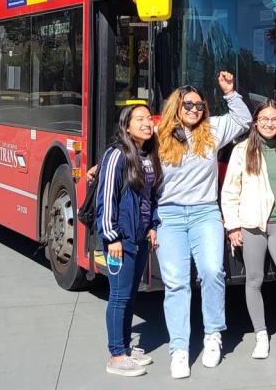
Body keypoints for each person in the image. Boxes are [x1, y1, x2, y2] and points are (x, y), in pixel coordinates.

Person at [155, 72, 252, 379]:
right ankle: (179, 349)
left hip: (205, 213)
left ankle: (213, 336)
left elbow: (244, 119)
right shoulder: (160, 135)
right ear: (176, 106)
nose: (195, 109)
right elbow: (132, 156)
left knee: (213, 272)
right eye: (188, 104)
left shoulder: (212, 129)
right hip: (168, 216)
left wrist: (230, 92)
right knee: (177, 283)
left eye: (199, 104)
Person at [220, 100, 276, 359]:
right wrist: (232, 225)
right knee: (253, 281)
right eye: (264, 119)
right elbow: (230, 191)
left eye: (275, 119)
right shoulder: (242, 150)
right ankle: (261, 335)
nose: (269, 124)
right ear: (256, 122)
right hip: (251, 225)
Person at [95, 104, 161, 377]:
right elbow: (106, 197)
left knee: (131, 295)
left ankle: (124, 346)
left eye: (148, 118)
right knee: (119, 296)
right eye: (140, 119)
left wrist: (153, 225)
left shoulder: (147, 155)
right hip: (120, 239)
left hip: (140, 237)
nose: (147, 123)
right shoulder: (116, 154)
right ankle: (116, 355)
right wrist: (111, 236)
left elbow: (151, 197)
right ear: (126, 126)